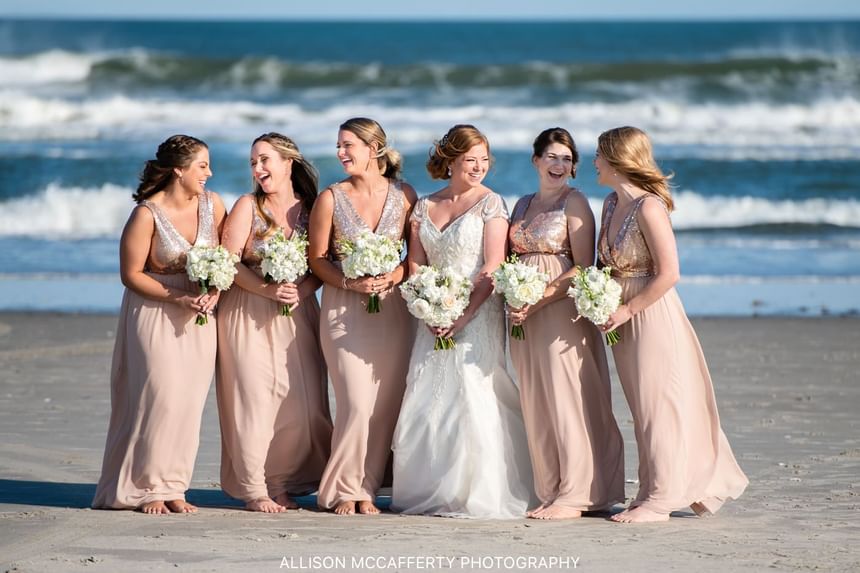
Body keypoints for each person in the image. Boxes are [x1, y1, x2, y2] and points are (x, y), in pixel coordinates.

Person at [594, 126, 748, 523]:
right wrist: (595, 296)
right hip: (618, 313)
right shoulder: (611, 204)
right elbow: (605, 266)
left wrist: (629, 310)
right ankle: (650, 488)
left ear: (616, 159)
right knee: (641, 405)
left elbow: (670, 273)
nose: (593, 163)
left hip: (651, 311)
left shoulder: (649, 207)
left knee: (658, 401)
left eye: (598, 155)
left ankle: (661, 499)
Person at [391, 124, 534, 518]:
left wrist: (461, 314)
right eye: (470, 159)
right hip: (432, 313)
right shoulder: (423, 205)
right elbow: (417, 262)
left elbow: (492, 267)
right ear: (450, 160)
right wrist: (427, 303)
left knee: (474, 390)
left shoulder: (492, 204)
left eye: (484, 160)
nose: (478, 167)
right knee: (428, 389)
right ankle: (429, 487)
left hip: (478, 312)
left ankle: (478, 490)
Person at [92, 134, 227, 514]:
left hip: (199, 313)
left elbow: (226, 257)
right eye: (202, 166)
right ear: (179, 170)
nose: (209, 173)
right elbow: (130, 274)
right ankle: (147, 487)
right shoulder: (146, 214)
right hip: (154, 310)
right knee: (159, 398)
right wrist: (177, 297)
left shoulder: (212, 205)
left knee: (188, 403)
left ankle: (174, 486)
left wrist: (214, 290)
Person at [507, 127, 625, 520]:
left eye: (568, 159)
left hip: (559, 312)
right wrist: (514, 296)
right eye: (553, 157)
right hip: (522, 315)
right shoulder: (522, 204)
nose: (560, 165)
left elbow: (581, 267)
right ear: (536, 160)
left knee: (566, 396)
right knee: (536, 399)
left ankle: (577, 493)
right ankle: (550, 488)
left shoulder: (575, 203)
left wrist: (537, 299)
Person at [216, 133, 333, 513]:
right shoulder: (248, 206)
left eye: (265, 160)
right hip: (246, 311)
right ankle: (255, 489)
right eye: (253, 162)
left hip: (297, 312)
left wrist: (302, 288)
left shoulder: (314, 208)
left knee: (299, 404)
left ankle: (283, 483)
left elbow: (322, 263)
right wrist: (267, 290)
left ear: (289, 163)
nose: (258, 169)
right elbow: (229, 263)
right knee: (253, 400)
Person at [308, 118, 417, 515]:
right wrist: (349, 283)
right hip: (343, 310)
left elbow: (415, 257)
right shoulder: (330, 198)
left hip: (393, 311)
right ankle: (342, 487)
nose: (340, 152)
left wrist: (395, 274)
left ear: (375, 149)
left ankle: (366, 488)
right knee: (355, 401)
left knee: (384, 404)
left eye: (348, 144)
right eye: (339, 145)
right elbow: (317, 260)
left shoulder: (405, 194)